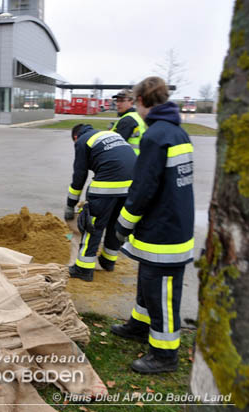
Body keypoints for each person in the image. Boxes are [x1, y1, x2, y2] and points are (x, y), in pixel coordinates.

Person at [112, 76, 194, 374]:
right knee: (148, 282)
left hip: (164, 232)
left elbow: (142, 189)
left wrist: (122, 226)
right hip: (172, 226)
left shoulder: (156, 136)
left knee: (162, 293)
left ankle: (164, 355)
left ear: (143, 102)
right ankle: (139, 325)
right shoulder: (178, 133)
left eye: (135, 101)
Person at [65, 124, 136, 282]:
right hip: (132, 186)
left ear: (75, 137)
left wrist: (70, 203)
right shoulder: (109, 135)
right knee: (114, 223)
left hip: (107, 186)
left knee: (92, 225)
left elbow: (79, 175)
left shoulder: (82, 141)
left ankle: (83, 268)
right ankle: (108, 261)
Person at [110, 88, 147, 155]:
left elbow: (114, 145)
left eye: (121, 101)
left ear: (131, 102)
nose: (118, 104)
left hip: (127, 159)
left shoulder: (127, 120)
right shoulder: (136, 116)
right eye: (117, 101)